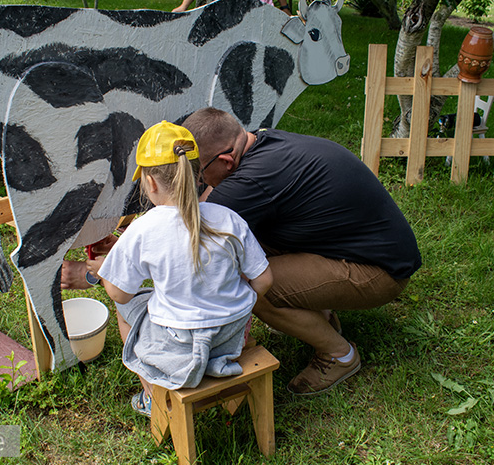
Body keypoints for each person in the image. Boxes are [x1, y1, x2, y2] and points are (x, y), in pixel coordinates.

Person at [180, 107, 422, 396]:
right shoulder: (261, 141)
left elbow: (188, 234)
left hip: (379, 272)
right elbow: (210, 208)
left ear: (226, 160)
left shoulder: (253, 180)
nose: (200, 182)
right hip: (358, 248)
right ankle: (322, 316)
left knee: (248, 286)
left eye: (200, 172)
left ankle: (339, 355)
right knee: (243, 249)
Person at [94, 120, 273, 416]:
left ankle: (151, 393)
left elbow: (119, 293)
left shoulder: (143, 229)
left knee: (125, 309)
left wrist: (102, 271)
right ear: (197, 173)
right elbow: (264, 280)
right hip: (230, 336)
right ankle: (215, 360)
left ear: (150, 183)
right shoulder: (228, 218)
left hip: (178, 345)